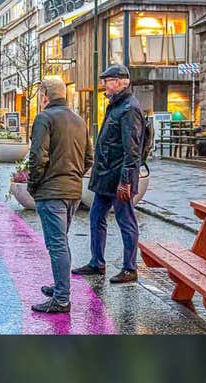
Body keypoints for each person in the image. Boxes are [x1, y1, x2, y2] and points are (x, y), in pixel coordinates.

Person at [25, 77, 93, 314]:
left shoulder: (45, 118)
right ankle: (60, 286)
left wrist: (33, 184)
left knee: (56, 244)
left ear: (45, 95)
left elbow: (37, 158)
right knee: (60, 241)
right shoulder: (79, 120)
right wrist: (72, 176)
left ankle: (62, 298)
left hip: (51, 191)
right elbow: (89, 159)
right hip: (72, 191)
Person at [83, 64, 144, 284]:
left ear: (118, 82)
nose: (104, 86)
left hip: (119, 178)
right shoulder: (117, 105)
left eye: (107, 81)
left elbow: (132, 149)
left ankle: (130, 268)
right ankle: (96, 262)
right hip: (107, 176)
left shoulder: (129, 109)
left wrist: (126, 181)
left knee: (125, 221)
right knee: (96, 216)